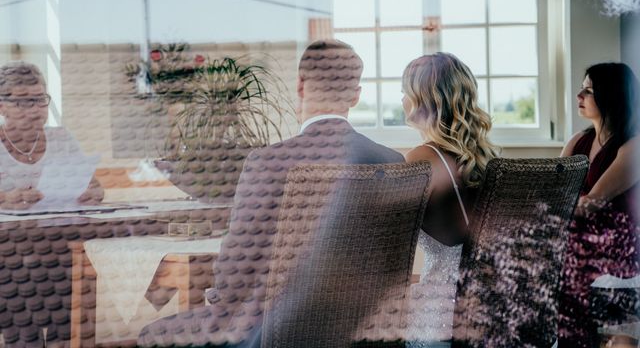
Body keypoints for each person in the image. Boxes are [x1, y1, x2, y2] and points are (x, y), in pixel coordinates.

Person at [138, 40, 404, 347]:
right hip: (363, 330)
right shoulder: (390, 163)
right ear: (356, 96)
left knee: (152, 335)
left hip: (270, 330)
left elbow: (237, 263)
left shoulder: (269, 162)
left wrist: (220, 298)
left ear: (300, 85)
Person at [400, 53, 499, 346]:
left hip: (441, 318)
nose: (402, 98)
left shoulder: (420, 159)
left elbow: (391, 246)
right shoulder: (486, 159)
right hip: (489, 309)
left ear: (423, 98)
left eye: (406, 91)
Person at [558, 62, 640, 347]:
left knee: (618, 338)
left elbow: (593, 202)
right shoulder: (578, 141)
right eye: (582, 89)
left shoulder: (633, 146)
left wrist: (555, 206)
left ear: (612, 95)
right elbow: (558, 191)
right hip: (577, 255)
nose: (579, 96)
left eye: (589, 90)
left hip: (617, 257)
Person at [0, 61, 102, 208]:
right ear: (2, 107)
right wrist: (6, 199)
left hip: (58, 227)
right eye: (25, 101)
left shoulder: (61, 138)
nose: (36, 109)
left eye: (40, 99)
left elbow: (94, 187)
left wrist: (92, 193)